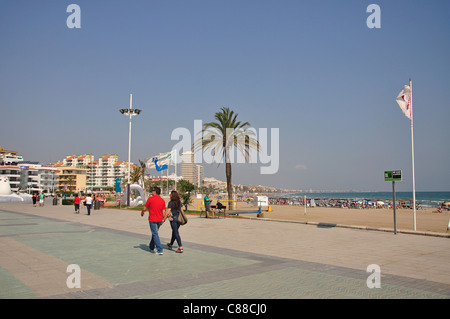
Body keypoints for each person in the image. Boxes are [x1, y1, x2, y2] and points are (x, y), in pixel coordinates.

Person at [141, 187, 166, 255]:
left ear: (155, 191)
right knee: (154, 233)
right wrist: (163, 219)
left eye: (152, 190)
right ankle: (151, 247)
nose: (151, 192)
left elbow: (145, 207)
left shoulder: (150, 199)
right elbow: (164, 211)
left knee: (155, 234)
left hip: (152, 219)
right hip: (159, 220)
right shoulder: (162, 200)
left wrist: (142, 212)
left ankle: (159, 250)